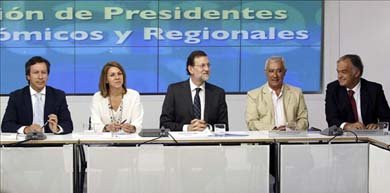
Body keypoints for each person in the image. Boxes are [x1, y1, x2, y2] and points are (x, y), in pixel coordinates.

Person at [1, 56, 73, 134]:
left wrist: (57, 129)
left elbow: (68, 125)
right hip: (24, 144)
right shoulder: (16, 96)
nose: (40, 77)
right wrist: (26, 129)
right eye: (36, 73)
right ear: (28, 76)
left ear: (48, 76)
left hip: (51, 144)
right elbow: (6, 125)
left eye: (43, 72)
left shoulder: (58, 95)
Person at [160, 50, 228, 131]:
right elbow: (164, 124)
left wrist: (207, 128)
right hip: (182, 142)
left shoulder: (218, 93)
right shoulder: (174, 91)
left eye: (208, 65)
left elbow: (224, 126)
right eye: (202, 66)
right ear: (190, 69)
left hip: (208, 143)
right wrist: (187, 128)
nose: (207, 69)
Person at [325, 54, 390, 130]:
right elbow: (331, 119)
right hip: (345, 138)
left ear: (356, 73)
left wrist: (379, 126)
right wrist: (347, 126)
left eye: (344, 72)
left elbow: (387, 118)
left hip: (371, 137)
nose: (339, 76)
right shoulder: (333, 89)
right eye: (338, 72)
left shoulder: (374, 89)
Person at [246, 56, 309, 131]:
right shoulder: (253, 95)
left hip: (291, 139)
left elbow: (304, 120)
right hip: (265, 140)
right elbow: (251, 122)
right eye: (271, 71)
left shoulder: (297, 93)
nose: (275, 75)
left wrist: (289, 129)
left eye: (279, 71)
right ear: (265, 72)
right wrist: (273, 129)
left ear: (285, 72)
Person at [90, 61, 143, 133]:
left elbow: (138, 123)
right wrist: (107, 128)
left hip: (127, 141)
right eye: (112, 75)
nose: (117, 77)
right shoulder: (98, 97)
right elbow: (95, 125)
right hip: (104, 142)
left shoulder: (134, 95)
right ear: (106, 80)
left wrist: (132, 128)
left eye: (119, 74)